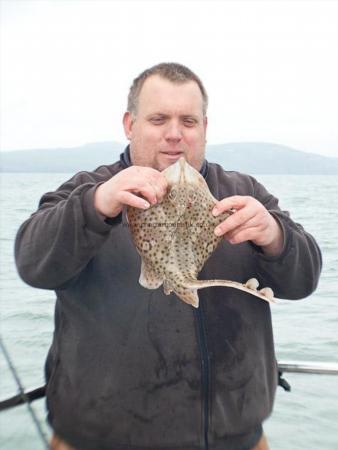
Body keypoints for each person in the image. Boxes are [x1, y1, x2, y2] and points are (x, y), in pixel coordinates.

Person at [15, 63, 322, 450]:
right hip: (97, 440)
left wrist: (275, 237)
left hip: (232, 439)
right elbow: (31, 261)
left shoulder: (242, 193)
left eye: (188, 121)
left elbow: (305, 279)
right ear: (130, 124)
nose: (175, 134)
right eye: (159, 119)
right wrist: (95, 206)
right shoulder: (89, 190)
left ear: (205, 128)